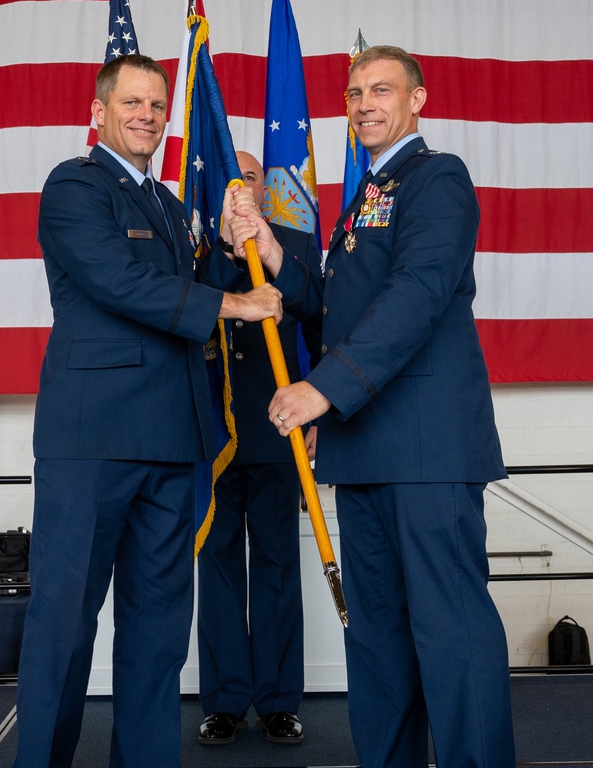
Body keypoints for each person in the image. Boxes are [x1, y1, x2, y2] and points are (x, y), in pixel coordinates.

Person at [13, 54, 284, 768]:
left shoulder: (167, 205)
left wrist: (233, 248)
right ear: (99, 112)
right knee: (64, 625)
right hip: (92, 441)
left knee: (159, 633)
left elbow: (189, 285)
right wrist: (234, 302)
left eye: (158, 104)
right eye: (132, 101)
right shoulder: (74, 186)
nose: (147, 114)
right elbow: (119, 282)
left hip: (171, 440)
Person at [263, 45, 516, 768]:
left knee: (451, 631)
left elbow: (417, 295)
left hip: (428, 449)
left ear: (418, 99)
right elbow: (338, 301)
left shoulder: (436, 178)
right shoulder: (363, 198)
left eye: (381, 89)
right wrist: (276, 254)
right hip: (366, 449)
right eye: (353, 92)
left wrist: (323, 389)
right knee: (377, 642)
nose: (365, 102)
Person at [194, 152, 323, 746]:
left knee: (276, 565)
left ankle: (277, 701)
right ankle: (223, 701)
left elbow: (319, 318)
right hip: (216, 433)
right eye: (230, 179)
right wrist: (222, 246)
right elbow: (192, 314)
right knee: (217, 566)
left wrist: (323, 404)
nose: (240, 187)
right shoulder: (199, 248)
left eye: (248, 177)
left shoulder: (292, 242)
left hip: (278, 427)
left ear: (262, 188)